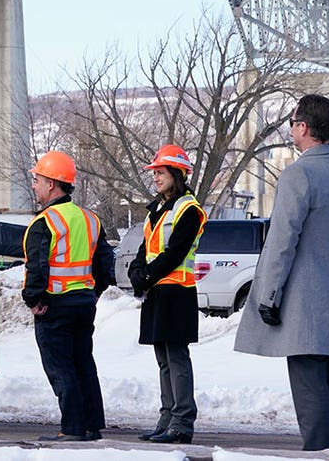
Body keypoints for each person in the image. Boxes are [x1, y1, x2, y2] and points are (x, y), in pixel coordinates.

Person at [234, 94, 329, 451]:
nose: (291, 130)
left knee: (311, 395)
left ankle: (319, 457)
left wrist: (268, 296)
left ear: (303, 128)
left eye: (292, 124)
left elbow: (281, 241)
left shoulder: (299, 174)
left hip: (306, 306)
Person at [23, 151, 112, 442]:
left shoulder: (44, 222)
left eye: (37, 180)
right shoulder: (90, 219)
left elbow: (37, 265)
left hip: (54, 305)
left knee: (61, 368)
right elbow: (104, 265)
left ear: (51, 184)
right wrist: (92, 292)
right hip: (84, 304)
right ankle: (90, 425)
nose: (34, 185)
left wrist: (33, 299)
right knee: (83, 363)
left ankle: (72, 427)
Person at [128, 144, 206, 444]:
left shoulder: (190, 210)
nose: (156, 178)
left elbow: (175, 253)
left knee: (176, 357)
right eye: (155, 173)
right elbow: (145, 249)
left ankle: (182, 421)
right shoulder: (156, 211)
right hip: (158, 292)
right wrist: (138, 272)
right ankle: (167, 418)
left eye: (160, 173)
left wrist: (146, 275)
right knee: (163, 359)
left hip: (178, 292)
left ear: (177, 173)